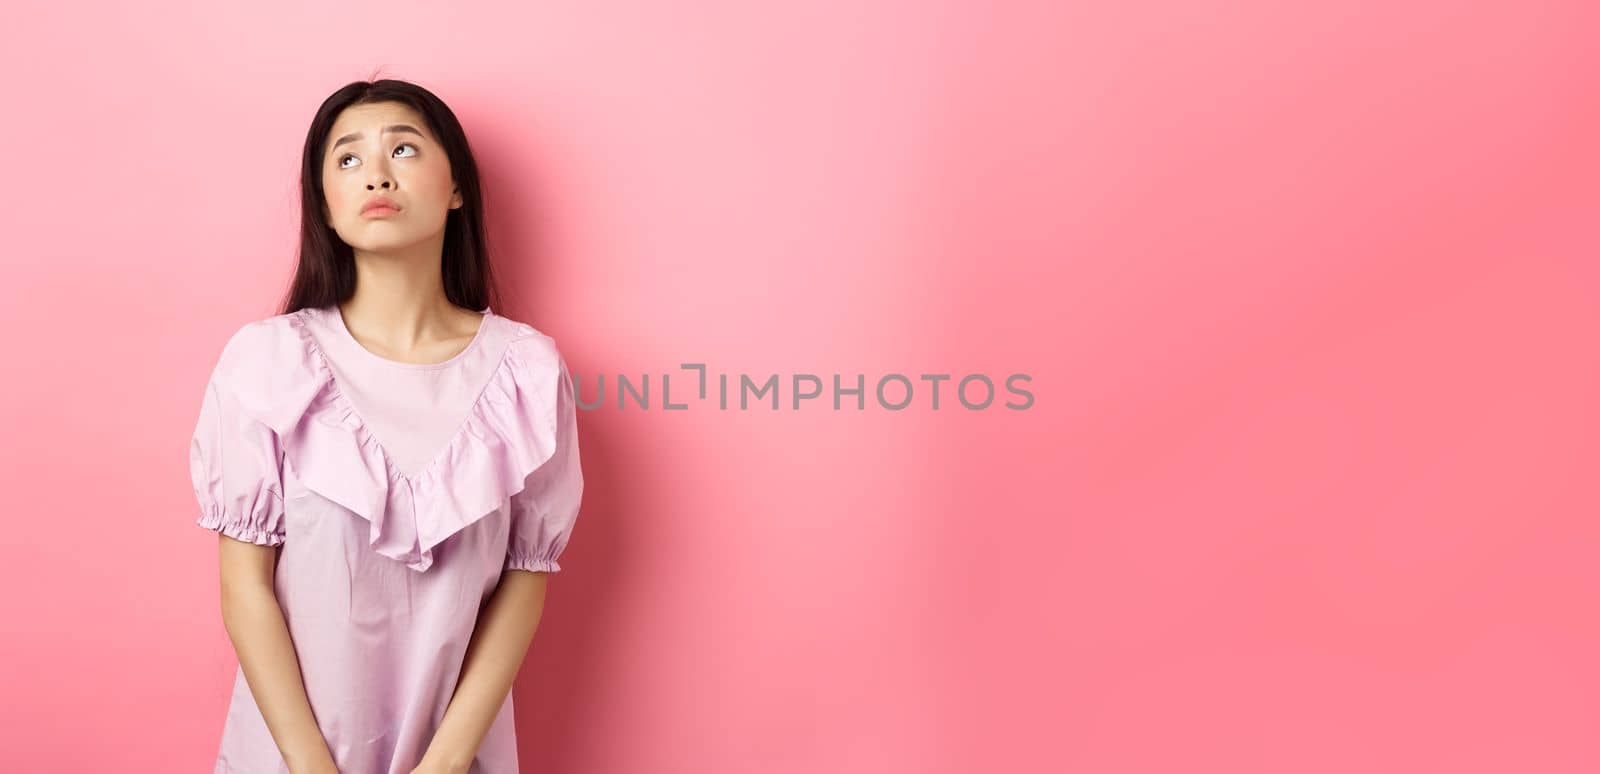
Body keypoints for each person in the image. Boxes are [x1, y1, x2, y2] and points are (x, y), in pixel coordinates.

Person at [187, 78, 584, 774]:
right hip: (289, 756)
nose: (376, 172)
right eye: (347, 159)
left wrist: (446, 762)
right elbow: (243, 585)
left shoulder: (526, 371)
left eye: (403, 148)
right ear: (327, 207)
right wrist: (311, 765)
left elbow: (525, 579)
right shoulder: (269, 362)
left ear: (456, 186)